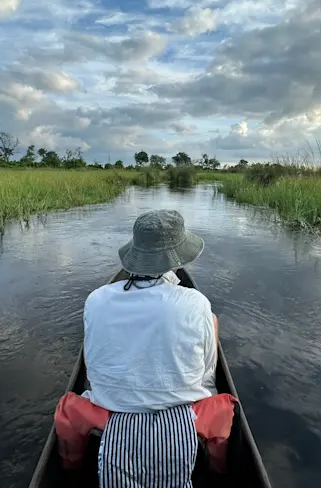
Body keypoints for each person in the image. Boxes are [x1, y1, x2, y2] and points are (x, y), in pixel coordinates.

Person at [82, 209, 219, 487]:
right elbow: (206, 372)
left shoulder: (96, 299)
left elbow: (91, 361)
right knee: (211, 324)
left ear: (136, 254)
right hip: (181, 405)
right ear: (177, 259)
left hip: (108, 403)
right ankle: (218, 472)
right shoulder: (196, 303)